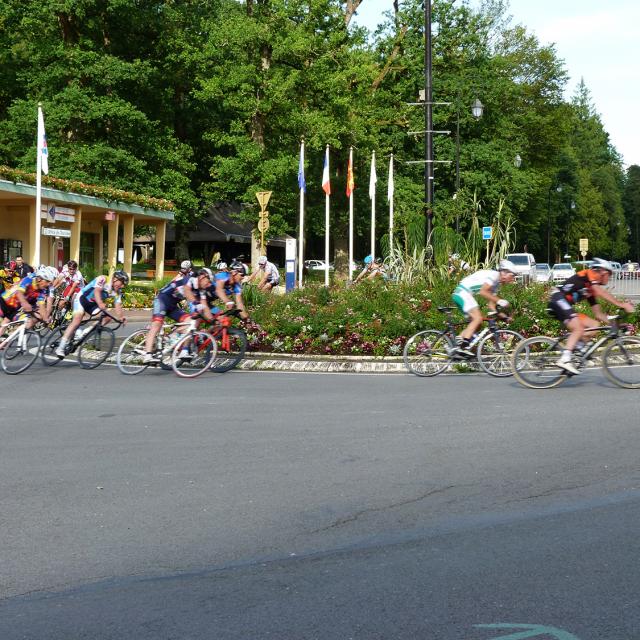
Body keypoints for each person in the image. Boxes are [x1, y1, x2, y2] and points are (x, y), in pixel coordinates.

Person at [548, 257, 634, 375]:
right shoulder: (590, 274)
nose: (610, 277)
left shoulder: (589, 290)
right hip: (557, 298)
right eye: (609, 274)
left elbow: (598, 314)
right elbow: (601, 292)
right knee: (578, 328)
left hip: (564, 304)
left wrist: (615, 325)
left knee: (594, 325)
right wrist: (621, 304)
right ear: (602, 272)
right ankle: (565, 359)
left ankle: (578, 346)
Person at [451, 259, 518, 356]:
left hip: (462, 294)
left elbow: (491, 306)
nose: (512, 279)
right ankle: (464, 346)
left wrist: (504, 317)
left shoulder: (496, 284)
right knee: (478, 318)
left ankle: (457, 346)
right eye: (512, 276)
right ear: (504, 273)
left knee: (478, 324)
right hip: (463, 293)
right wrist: (499, 300)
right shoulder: (494, 276)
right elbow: (483, 292)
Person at [54, 271, 128, 357]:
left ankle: (86, 331)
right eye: (122, 283)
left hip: (93, 304)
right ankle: (60, 348)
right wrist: (100, 303)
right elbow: (97, 291)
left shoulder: (117, 291)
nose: (122, 286)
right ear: (115, 279)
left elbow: (118, 305)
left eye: (124, 285)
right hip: (82, 298)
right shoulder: (103, 279)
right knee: (76, 321)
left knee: (107, 318)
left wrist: (121, 317)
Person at [141, 267, 207, 364]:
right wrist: (197, 304)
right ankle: (147, 355)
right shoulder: (188, 280)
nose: (208, 283)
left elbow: (200, 304)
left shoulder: (199, 289)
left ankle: (183, 350)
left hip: (172, 306)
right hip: (161, 300)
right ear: (201, 277)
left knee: (190, 322)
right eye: (207, 280)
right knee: (156, 325)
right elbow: (188, 292)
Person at [0, 266, 57, 337]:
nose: (50, 284)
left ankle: (7, 340)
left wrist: (46, 318)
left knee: (6, 321)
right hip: (7, 300)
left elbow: (44, 304)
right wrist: (25, 303)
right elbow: (19, 291)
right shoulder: (31, 278)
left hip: (17, 305)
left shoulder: (45, 288)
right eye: (49, 281)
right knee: (3, 320)